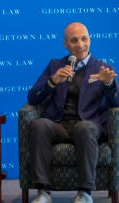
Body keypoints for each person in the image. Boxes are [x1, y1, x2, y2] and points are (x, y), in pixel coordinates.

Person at [28, 22, 119, 203]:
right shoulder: (55, 65)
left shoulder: (102, 68)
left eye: (84, 39)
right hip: (59, 124)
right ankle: (43, 192)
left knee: (84, 128)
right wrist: (52, 81)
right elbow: (33, 97)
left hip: (89, 125)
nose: (80, 45)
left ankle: (85, 192)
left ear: (90, 40)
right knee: (39, 125)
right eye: (74, 40)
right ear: (65, 44)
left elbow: (115, 102)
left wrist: (108, 84)